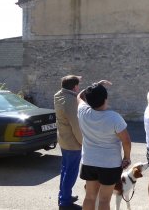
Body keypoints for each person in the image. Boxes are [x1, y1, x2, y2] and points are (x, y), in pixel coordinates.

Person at [77, 80, 132, 210]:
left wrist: (92, 86)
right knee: (104, 200)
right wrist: (127, 157)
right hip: (110, 164)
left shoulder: (83, 111)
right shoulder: (114, 118)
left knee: (90, 197)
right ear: (105, 98)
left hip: (89, 162)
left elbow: (79, 96)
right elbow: (126, 141)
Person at [54, 75, 83, 210]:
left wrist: (72, 79)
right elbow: (75, 125)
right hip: (72, 143)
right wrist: (82, 142)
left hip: (63, 140)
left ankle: (64, 196)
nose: (79, 87)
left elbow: (73, 91)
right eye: (77, 84)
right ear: (74, 87)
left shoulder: (59, 95)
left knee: (65, 170)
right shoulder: (70, 101)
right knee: (70, 172)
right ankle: (65, 202)